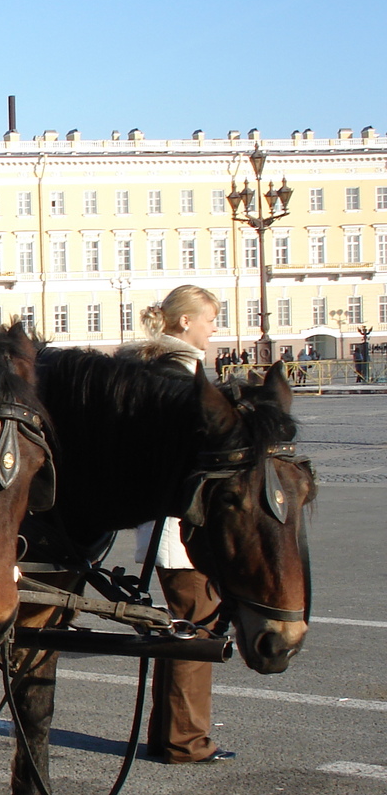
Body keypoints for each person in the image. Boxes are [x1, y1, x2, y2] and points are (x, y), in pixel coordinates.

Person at [125, 285, 235, 764]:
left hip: (162, 523)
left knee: (181, 627)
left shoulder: (152, 366)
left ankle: (170, 733)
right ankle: (186, 740)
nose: (215, 329)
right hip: (181, 526)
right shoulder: (182, 370)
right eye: (211, 319)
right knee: (197, 626)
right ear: (186, 322)